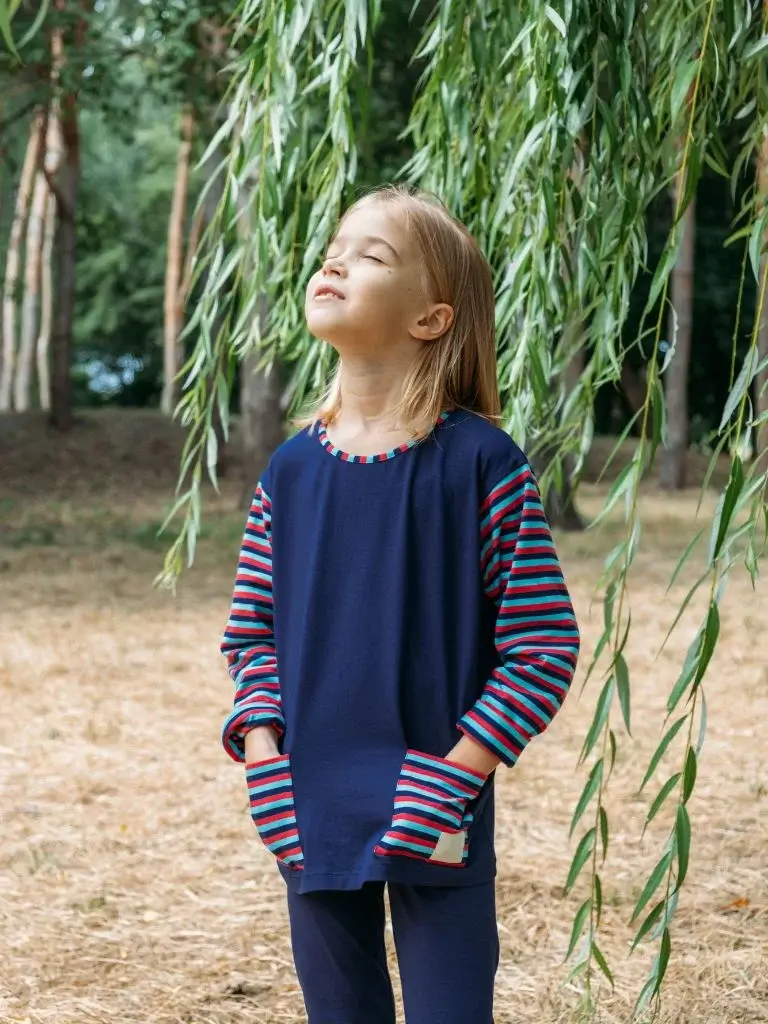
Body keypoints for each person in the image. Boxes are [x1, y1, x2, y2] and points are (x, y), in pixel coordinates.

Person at [220, 185, 580, 1024]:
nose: (337, 260)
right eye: (335, 246)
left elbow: (542, 646)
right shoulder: (288, 475)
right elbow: (250, 635)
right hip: (307, 804)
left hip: (435, 804)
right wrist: (266, 754)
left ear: (431, 318)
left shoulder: (484, 465)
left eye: (373, 254)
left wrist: (456, 778)